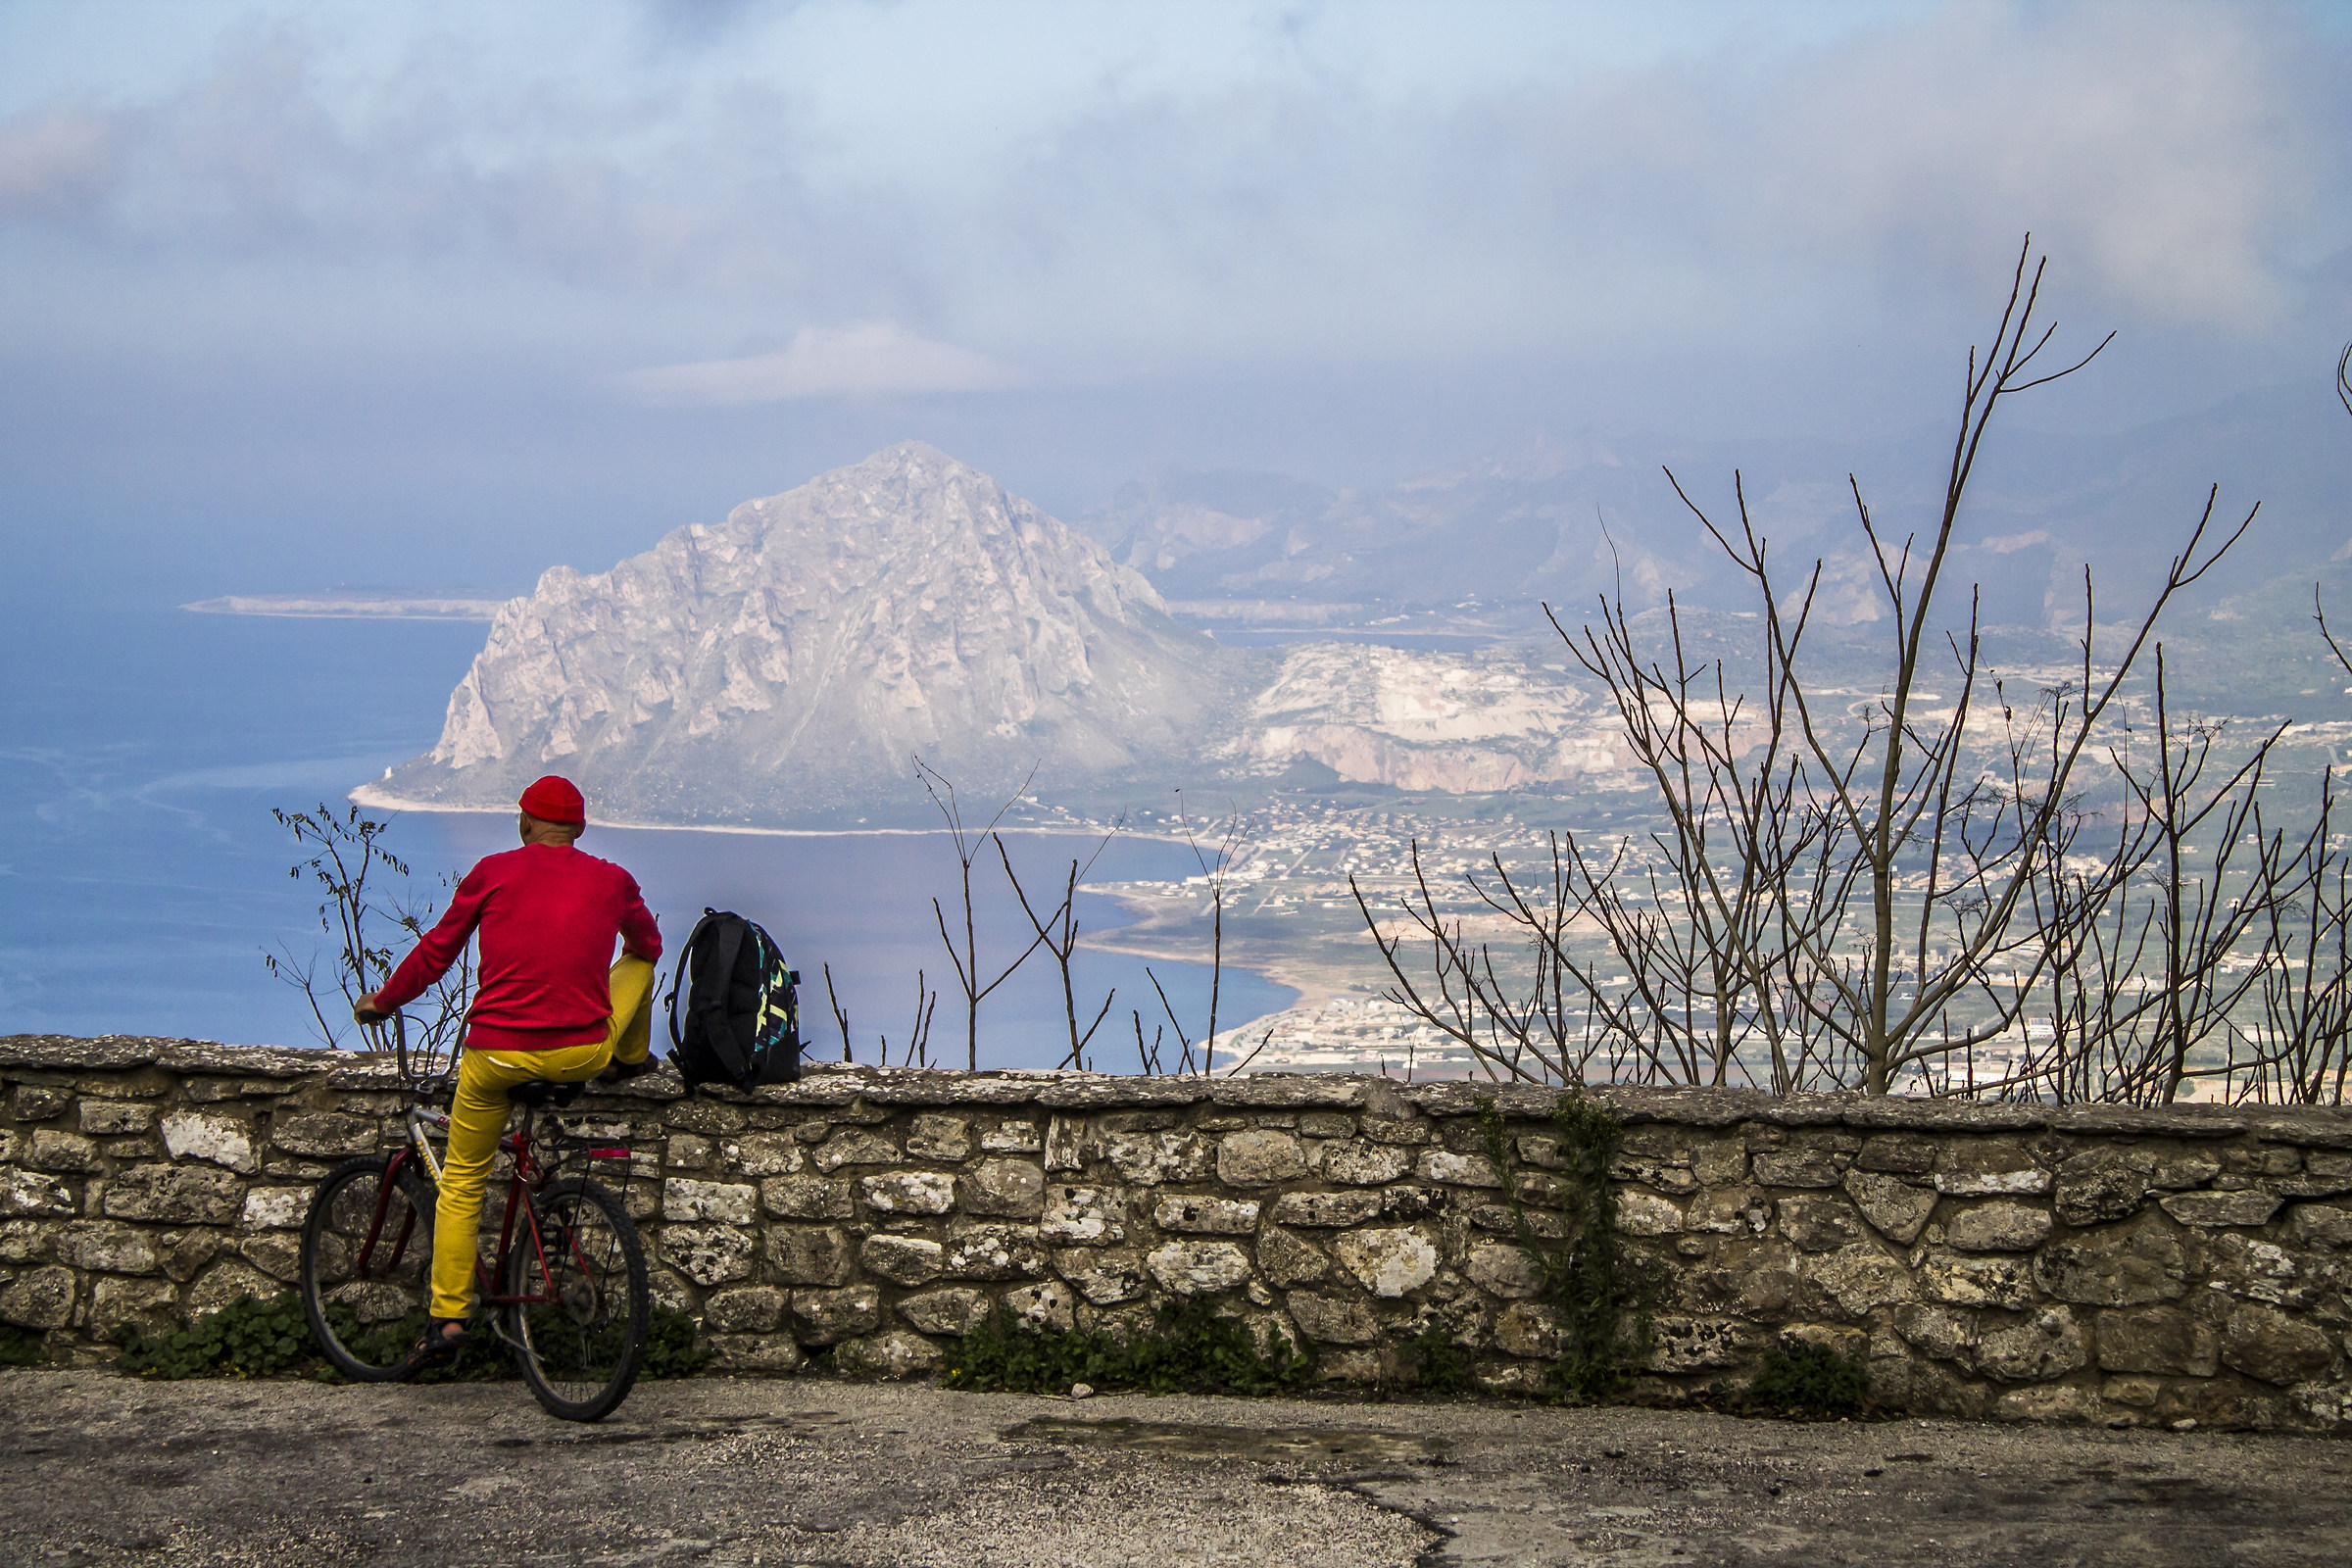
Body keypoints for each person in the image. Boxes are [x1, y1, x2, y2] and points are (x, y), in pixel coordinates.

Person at [353, 773, 662, 1378]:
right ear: (579, 827)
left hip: (495, 1058)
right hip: (579, 1056)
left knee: (464, 1179)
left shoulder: (492, 872)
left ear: (524, 821)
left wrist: (384, 1001)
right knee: (638, 967)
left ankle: (448, 1321)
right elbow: (646, 944)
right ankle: (629, 1057)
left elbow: (437, 953)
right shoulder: (613, 879)